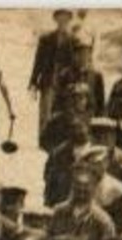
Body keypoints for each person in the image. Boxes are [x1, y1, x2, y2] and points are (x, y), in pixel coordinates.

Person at [30, 9, 81, 147]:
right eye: (60, 18)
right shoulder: (46, 39)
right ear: (56, 20)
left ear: (69, 20)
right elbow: (38, 61)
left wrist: (76, 81)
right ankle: (43, 141)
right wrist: (33, 82)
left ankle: (61, 141)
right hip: (48, 81)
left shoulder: (74, 41)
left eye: (65, 19)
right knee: (45, 113)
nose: (62, 21)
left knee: (63, 111)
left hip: (66, 83)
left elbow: (77, 63)